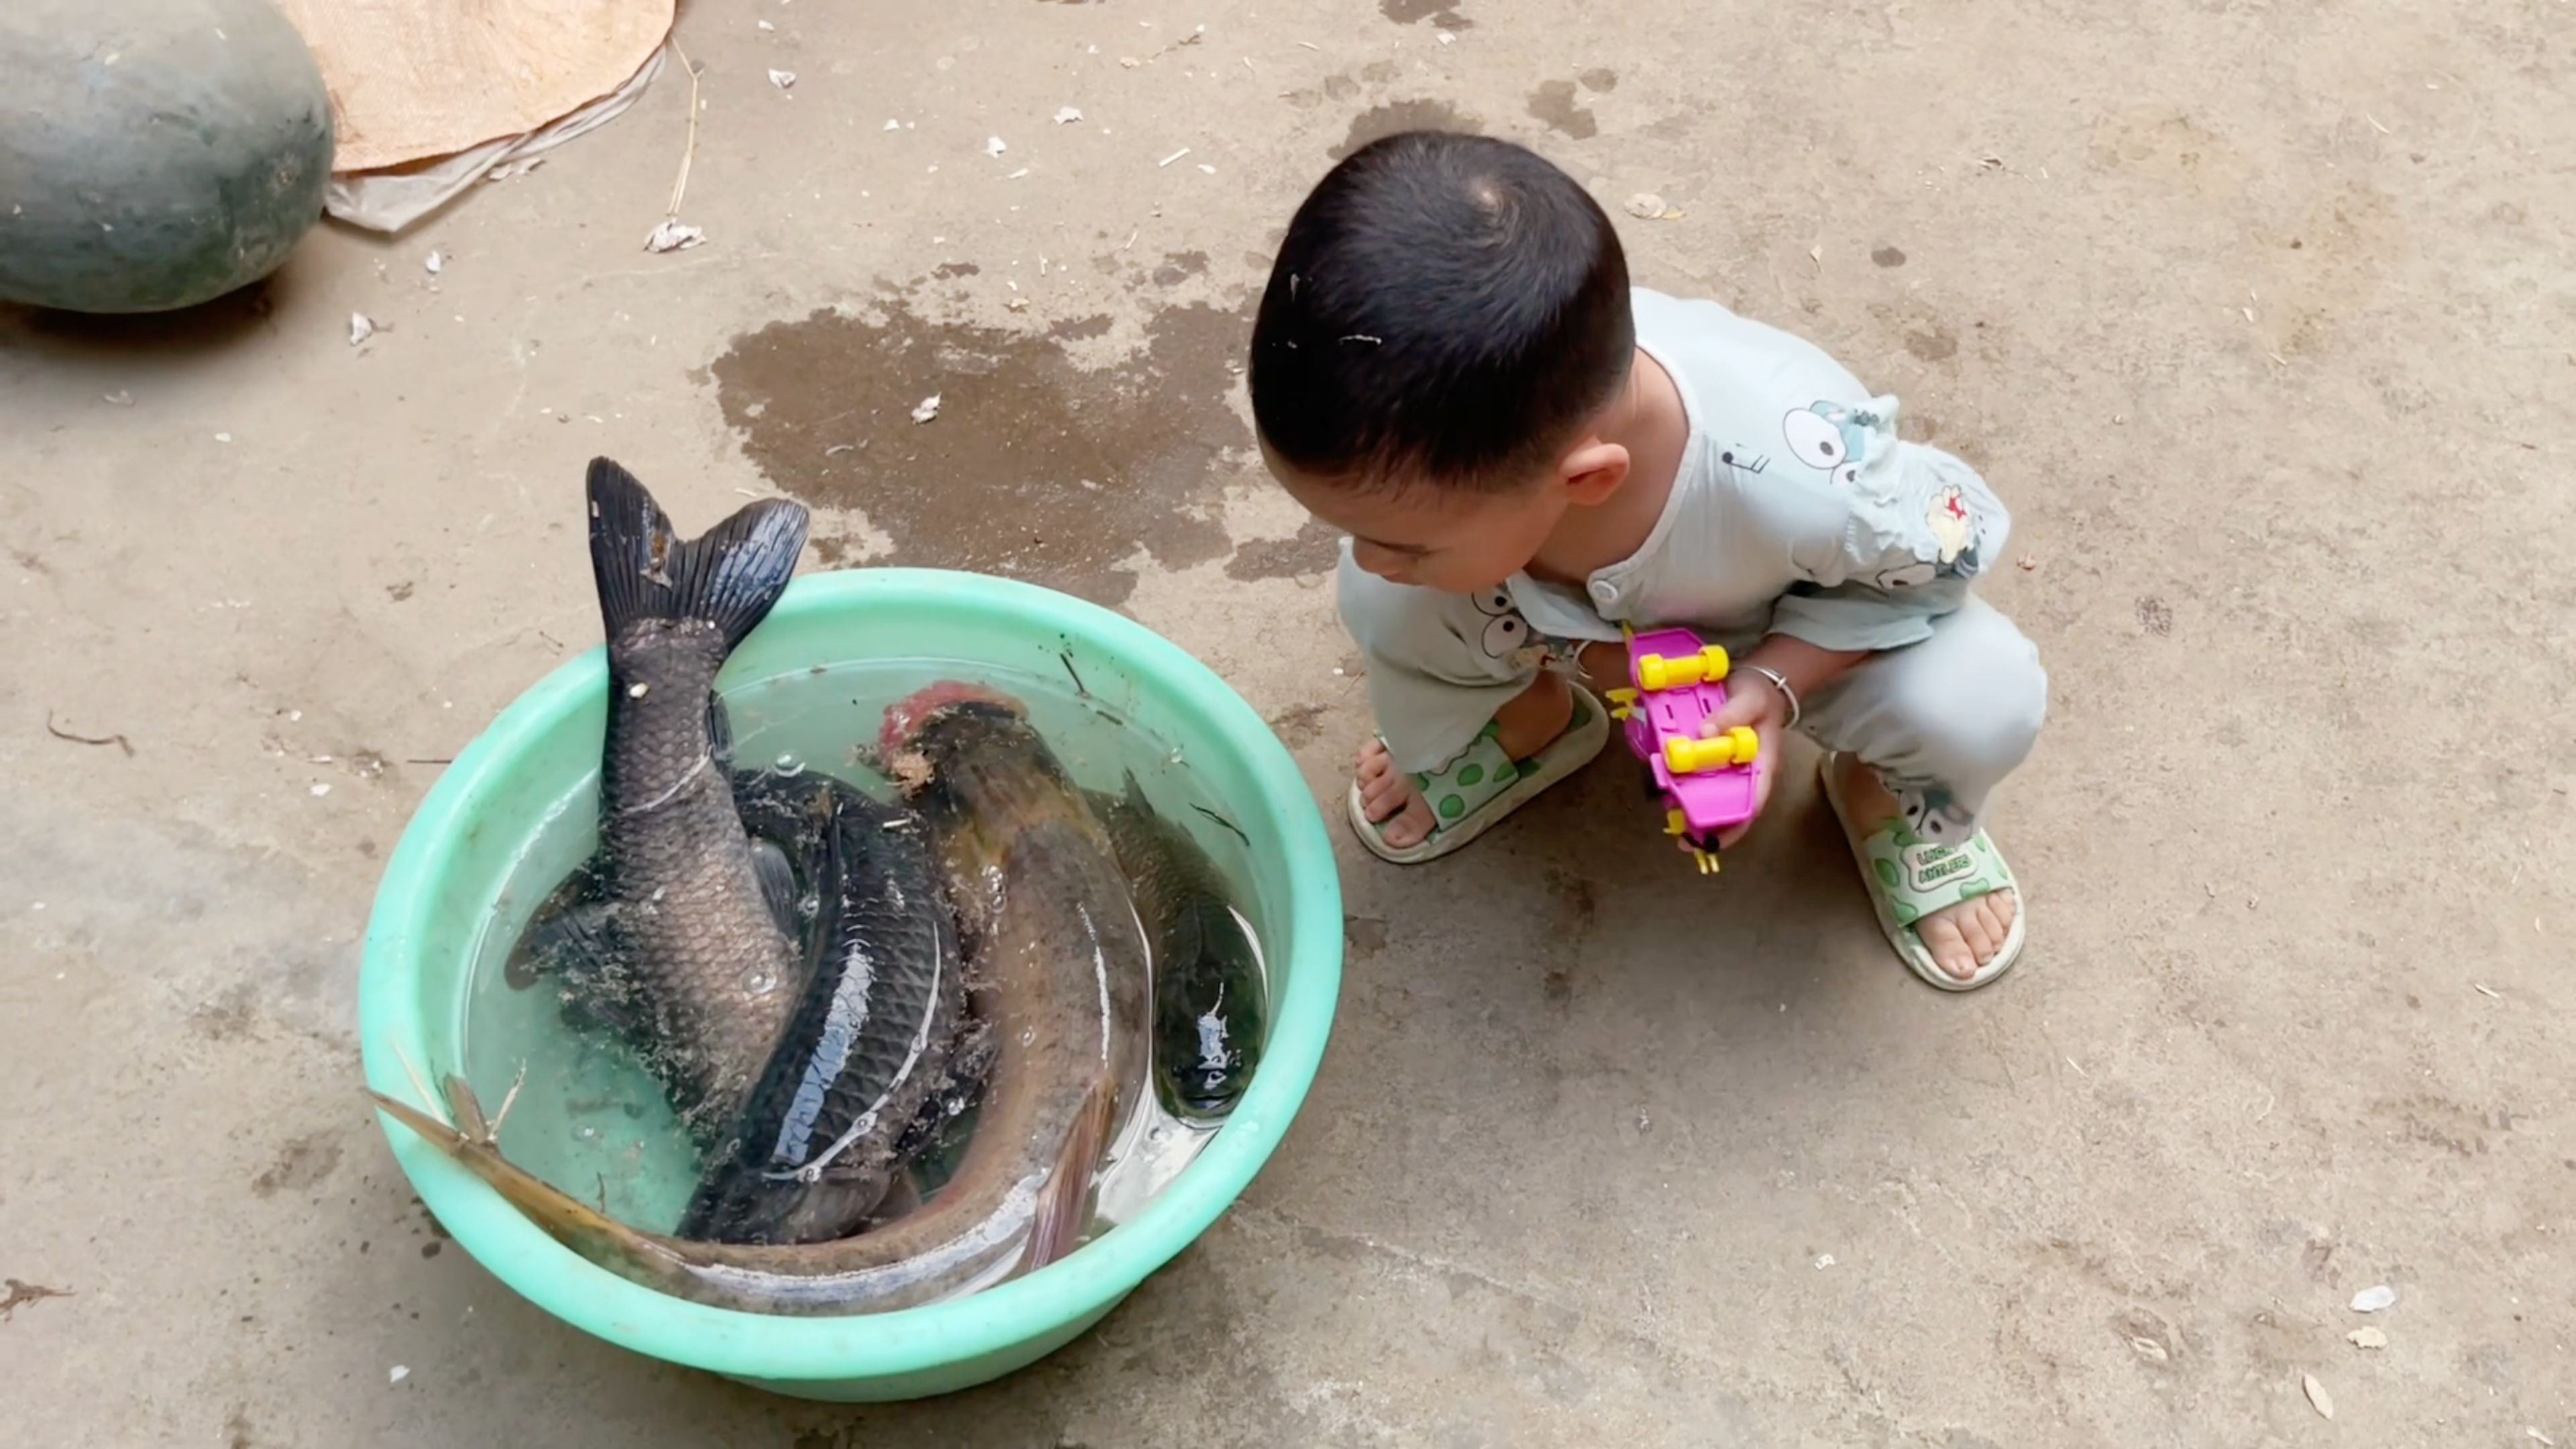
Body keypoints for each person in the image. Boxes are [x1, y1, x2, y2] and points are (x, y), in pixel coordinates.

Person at [1244, 130, 2047, 990]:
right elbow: (1415, 555)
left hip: (1782, 623)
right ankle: (1531, 722)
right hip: (1562, 611)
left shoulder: (1817, 480)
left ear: (1585, 479)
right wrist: (1610, 661)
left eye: (1406, 539)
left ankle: (1883, 800)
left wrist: (1772, 688)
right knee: (1386, 602)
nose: (1370, 555)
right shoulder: (1496, 422)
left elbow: (1939, 563)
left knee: (1979, 697)